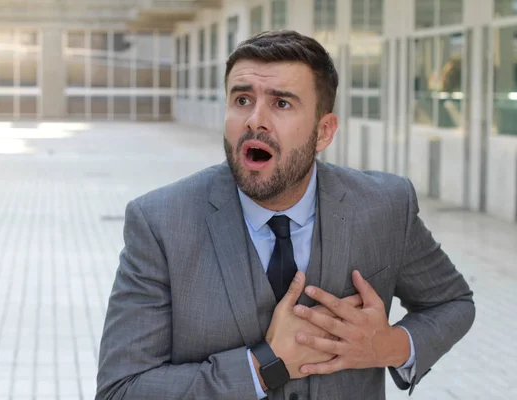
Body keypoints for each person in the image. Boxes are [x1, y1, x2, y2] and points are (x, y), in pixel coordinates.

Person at [95, 30, 475, 400]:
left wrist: (388, 345)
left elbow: (452, 303)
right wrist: (262, 366)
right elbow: (121, 389)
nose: (254, 120)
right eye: (242, 99)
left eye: (281, 104)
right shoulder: (160, 223)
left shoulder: (385, 206)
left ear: (323, 131)